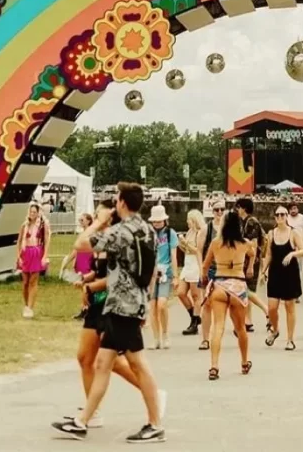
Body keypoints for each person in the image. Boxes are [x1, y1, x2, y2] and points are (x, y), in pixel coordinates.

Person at [52, 182, 165, 443]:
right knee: (103, 363)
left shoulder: (122, 232)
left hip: (122, 305)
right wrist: (145, 301)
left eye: (116, 199)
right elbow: (149, 269)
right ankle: (83, 421)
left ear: (123, 203)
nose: (114, 203)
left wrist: (97, 221)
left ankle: (155, 422)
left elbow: (81, 244)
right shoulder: (147, 229)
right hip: (129, 303)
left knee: (137, 363)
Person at [201, 210, 255, 380]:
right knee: (240, 328)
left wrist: (204, 280)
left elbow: (205, 266)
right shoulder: (244, 243)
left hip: (220, 285)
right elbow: (253, 254)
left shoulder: (216, 243)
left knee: (218, 328)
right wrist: (249, 267)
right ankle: (245, 362)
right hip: (238, 285)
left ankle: (214, 366)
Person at [263, 205, 303, 350]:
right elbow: (269, 254)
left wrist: (292, 254)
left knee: (289, 306)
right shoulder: (271, 234)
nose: (280, 217)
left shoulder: (293, 233)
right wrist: (263, 271)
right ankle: (275, 330)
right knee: (272, 307)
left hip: (290, 273)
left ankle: (290, 339)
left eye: (283, 214)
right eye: (278, 215)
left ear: (287, 216)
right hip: (275, 272)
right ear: (275, 217)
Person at [236, 198, 269, 331]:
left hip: (251, 261)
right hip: (245, 260)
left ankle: (265, 310)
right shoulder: (244, 222)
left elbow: (253, 245)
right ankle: (247, 320)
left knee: (246, 290)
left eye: (238, 207)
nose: (236, 210)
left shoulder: (251, 223)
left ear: (243, 208)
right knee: (246, 290)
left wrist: (250, 266)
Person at [197, 201, 226, 350]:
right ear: (212, 211)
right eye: (216, 210)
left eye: (222, 209)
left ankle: (217, 335)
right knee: (206, 304)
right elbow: (199, 250)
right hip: (210, 270)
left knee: (222, 304)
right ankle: (205, 338)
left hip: (225, 270)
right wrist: (201, 270)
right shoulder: (205, 229)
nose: (219, 212)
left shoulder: (228, 229)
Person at [149, 204, 178, 350]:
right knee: (152, 306)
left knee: (162, 304)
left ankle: (166, 334)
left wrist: (176, 276)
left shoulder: (169, 233)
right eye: (155, 221)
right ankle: (156, 337)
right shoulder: (148, 234)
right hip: (151, 274)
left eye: (159, 221)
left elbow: (173, 254)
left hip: (165, 272)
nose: (157, 223)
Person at [16, 203, 50, 319]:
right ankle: (26, 305)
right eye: (31, 212)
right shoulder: (24, 225)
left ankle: (30, 307)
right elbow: (19, 241)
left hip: (36, 252)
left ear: (38, 213)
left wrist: (45, 256)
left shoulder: (42, 225)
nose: (32, 214)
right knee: (25, 282)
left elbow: (46, 240)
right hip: (26, 253)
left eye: (34, 212)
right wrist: (19, 256)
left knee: (33, 281)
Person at [177, 209, 204, 336]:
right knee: (181, 293)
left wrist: (185, 242)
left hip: (195, 264)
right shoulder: (189, 232)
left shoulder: (200, 233)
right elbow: (187, 250)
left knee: (195, 295)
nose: (187, 222)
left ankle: (194, 323)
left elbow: (198, 251)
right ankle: (195, 316)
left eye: (189, 219)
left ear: (194, 220)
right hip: (187, 264)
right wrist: (181, 244)